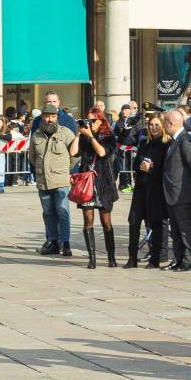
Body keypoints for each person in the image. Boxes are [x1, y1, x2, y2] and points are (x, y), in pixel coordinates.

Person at [71, 107, 119, 269]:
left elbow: (103, 153)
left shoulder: (109, 137)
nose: (90, 123)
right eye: (88, 120)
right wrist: (79, 134)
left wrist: (91, 137)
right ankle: (92, 258)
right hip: (87, 185)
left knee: (106, 222)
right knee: (88, 221)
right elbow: (73, 152)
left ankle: (111, 256)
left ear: (101, 121)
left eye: (93, 121)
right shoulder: (84, 137)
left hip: (103, 183)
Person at [28, 104, 75, 256]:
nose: (50, 119)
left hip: (61, 180)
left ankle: (66, 243)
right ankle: (53, 242)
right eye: (47, 116)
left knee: (63, 211)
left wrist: (67, 170)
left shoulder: (66, 133)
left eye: (53, 116)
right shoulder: (36, 135)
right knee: (48, 212)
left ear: (57, 118)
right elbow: (32, 157)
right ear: (42, 117)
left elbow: (76, 154)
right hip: (44, 181)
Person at [161, 109, 191, 271]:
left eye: (165, 123)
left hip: (181, 193)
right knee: (176, 229)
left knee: (185, 228)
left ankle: (187, 260)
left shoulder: (185, 139)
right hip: (171, 192)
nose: (164, 126)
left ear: (171, 124)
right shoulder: (173, 141)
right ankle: (178, 259)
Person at [125, 111, 168, 268]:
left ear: (163, 126)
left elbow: (166, 167)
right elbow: (136, 163)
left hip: (156, 189)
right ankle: (132, 258)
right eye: (151, 124)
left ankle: (155, 258)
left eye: (157, 124)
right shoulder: (145, 143)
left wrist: (151, 168)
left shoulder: (166, 144)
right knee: (134, 221)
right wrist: (142, 166)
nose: (153, 127)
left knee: (155, 224)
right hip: (141, 187)